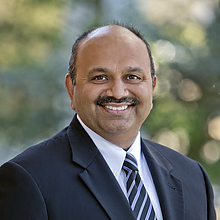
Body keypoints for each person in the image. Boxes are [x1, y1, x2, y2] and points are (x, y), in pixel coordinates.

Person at [0, 23, 216, 220]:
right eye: (100, 77)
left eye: (133, 77)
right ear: (71, 90)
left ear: (152, 87)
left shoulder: (193, 178)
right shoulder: (29, 180)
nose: (118, 92)